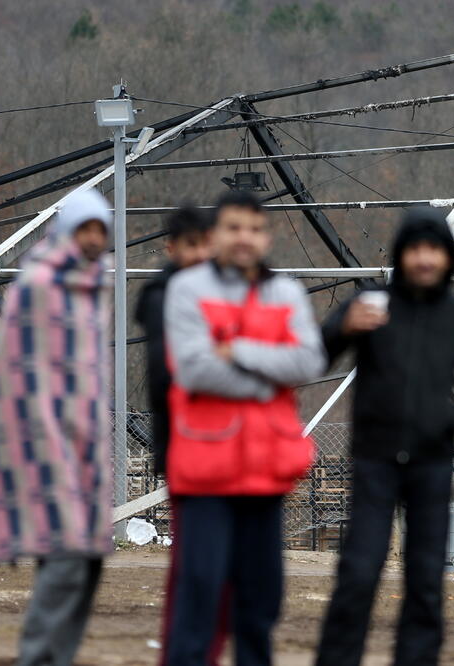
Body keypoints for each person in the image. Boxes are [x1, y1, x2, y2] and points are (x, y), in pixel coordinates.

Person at [315, 207, 454, 666]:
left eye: (433, 250)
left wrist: (447, 420)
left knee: (425, 580)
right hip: (374, 459)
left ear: (447, 257)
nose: (424, 260)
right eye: (415, 249)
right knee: (358, 571)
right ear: (402, 254)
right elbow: (318, 354)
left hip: (431, 464)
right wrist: (343, 326)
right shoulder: (372, 304)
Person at [0, 188, 115, 666]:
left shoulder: (90, 288)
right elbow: (20, 374)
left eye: (100, 230)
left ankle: (52, 657)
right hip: (43, 447)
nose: (91, 239)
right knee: (67, 560)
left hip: (81, 450)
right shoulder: (41, 285)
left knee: (86, 563)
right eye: (84, 228)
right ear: (67, 231)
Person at [162, 190, 326, 666]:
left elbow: (309, 360)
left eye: (254, 229)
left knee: (261, 605)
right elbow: (194, 369)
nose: (244, 239)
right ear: (215, 236)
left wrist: (239, 352)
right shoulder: (188, 290)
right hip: (205, 472)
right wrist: (266, 384)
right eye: (233, 228)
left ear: (266, 237)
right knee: (201, 596)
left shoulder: (287, 292)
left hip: (265, 472)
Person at [132, 206, 226, 666]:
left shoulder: (223, 291)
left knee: (220, 568)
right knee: (194, 566)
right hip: (186, 448)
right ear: (172, 248)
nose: (199, 254)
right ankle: (183, 654)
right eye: (190, 245)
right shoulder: (162, 297)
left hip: (225, 447)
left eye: (204, 244)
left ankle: (201, 651)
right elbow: (169, 378)